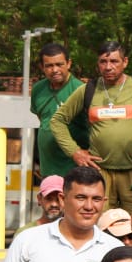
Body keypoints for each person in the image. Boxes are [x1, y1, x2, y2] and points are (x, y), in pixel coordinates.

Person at [50, 41, 132, 212]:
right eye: (103, 62)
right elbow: (57, 120)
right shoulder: (88, 89)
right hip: (100, 173)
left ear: (125, 62)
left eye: (114, 61)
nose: (108, 67)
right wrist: (75, 152)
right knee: (98, 224)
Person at [31, 43, 88, 182]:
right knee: (51, 204)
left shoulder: (81, 90)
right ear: (42, 67)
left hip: (74, 168)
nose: (54, 70)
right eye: (49, 66)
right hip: (48, 168)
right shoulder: (38, 89)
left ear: (68, 64)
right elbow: (43, 119)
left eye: (59, 64)